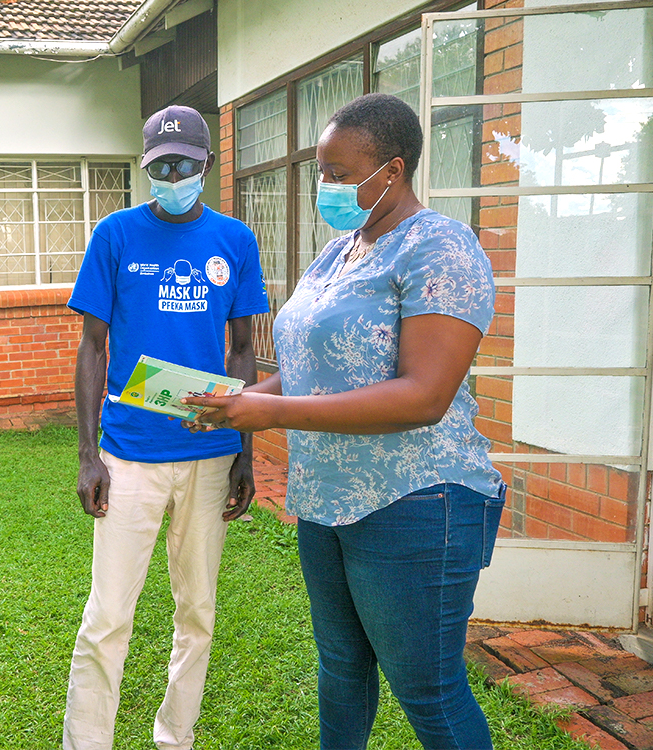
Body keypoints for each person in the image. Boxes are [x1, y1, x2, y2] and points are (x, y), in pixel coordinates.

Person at [184, 93, 506, 750]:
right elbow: (310, 366)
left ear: (391, 170)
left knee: (430, 690)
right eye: (321, 171)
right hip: (327, 501)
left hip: (417, 500)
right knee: (342, 670)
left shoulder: (441, 247)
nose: (325, 186)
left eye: (338, 172)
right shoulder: (339, 252)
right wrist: (236, 398)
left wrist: (267, 409)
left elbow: (424, 396)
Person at [62, 104, 270, 750]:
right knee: (107, 617)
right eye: (160, 166)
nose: (171, 174)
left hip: (209, 456)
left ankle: (174, 738)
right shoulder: (116, 235)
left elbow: (241, 353)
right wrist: (88, 456)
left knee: (197, 614)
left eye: (183, 164)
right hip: (127, 456)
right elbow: (93, 347)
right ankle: (86, 742)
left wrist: (244, 452)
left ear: (206, 165)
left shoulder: (235, 240)